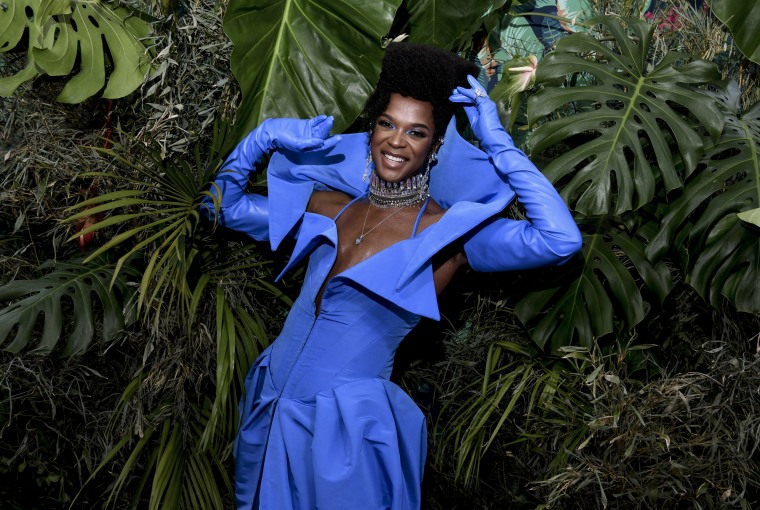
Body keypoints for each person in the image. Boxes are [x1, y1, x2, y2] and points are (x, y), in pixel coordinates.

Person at [204, 42, 581, 510]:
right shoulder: (331, 205)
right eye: (387, 123)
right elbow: (222, 207)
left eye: (416, 132)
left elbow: (560, 240)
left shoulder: (448, 234)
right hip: (269, 404)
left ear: (435, 146)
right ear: (370, 129)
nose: (397, 141)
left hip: (344, 434)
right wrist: (261, 139)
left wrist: (497, 142)